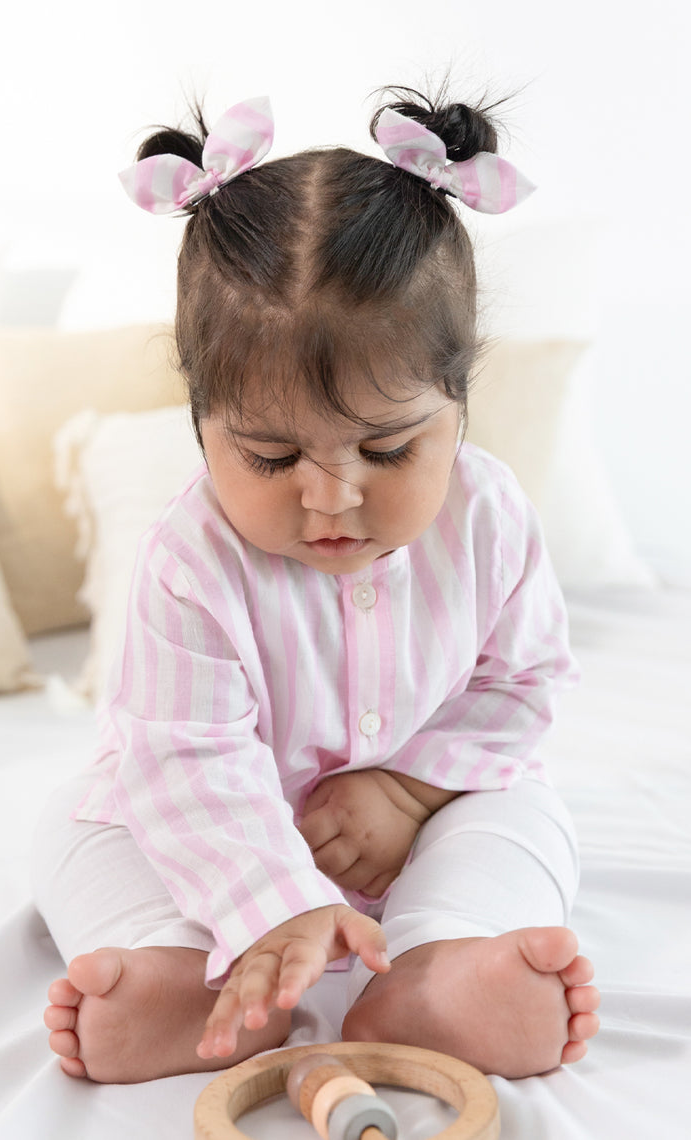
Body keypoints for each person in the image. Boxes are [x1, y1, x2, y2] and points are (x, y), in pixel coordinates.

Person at [34, 88, 600, 1085]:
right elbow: (185, 756)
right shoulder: (191, 558)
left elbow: (522, 685)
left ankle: (438, 974)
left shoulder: (489, 515)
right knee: (82, 831)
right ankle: (199, 977)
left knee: (522, 819)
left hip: (424, 814)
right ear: (201, 421)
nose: (330, 498)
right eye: (270, 456)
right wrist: (273, 905)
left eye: (386, 450)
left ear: (458, 404)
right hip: (209, 827)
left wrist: (413, 790)